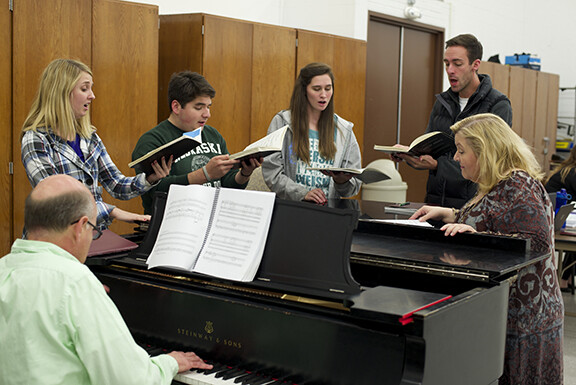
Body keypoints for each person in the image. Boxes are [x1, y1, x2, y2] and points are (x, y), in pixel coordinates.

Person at [0, 174, 212, 384]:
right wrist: (171, 362)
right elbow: (131, 381)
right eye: (93, 230)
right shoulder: (76, 282)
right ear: (80, 227)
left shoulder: (4, 268)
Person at [410, 113, 563, 385]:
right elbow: (494, 218)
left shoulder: (518, 184)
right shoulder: (495, 183)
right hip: (510, 313)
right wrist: (453, 215)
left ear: (487, 151)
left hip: (524, 319)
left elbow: (536, 242)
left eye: (461, 151)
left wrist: (479, 234)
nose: (455, 158)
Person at [21, 59, 171, 230]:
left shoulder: (90, 137)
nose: (92, 95)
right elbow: (59, 199)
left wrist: (149, 178)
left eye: (91, 88)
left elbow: (116, 185)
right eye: (84, 89)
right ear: (61, 92)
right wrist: (113, 211)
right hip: (55, 238)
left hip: (88, 237)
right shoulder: (35, 139)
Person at [393, 34, 512, 209]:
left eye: (457, 64)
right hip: (435, 203)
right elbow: (430, 147)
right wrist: (412, 154)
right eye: (446, 63)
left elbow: (491, 163)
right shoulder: (442, 102)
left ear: (475, 65)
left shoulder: (497, 105)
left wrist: (437, 166)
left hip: (474, 208)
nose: (450, 70)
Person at [132, 71, 261, 214]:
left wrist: (244, 174)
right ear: (176, 107)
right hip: (172, 221)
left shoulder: (212, 134)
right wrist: (205, 174)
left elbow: (227, 184)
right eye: (199, 107)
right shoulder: (152, 141)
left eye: (208, 106)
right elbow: (155, 191)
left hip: (212, 217)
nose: (207, 114)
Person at [261, 62, 362, 204]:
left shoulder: (344, 130)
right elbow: (272, 173)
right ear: (303, 91)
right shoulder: (282, 122)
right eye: (316, 89)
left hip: (328, 212)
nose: (323, 95)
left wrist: (341, 182)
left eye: (328, 88)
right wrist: (302, 194)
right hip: (292, 210)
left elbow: (352, 188)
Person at [545, 146, 576, 290]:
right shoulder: (571, 173)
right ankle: (564, 278)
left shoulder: (568, 169)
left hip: (561, 215)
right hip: (554, 217)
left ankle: (566, 277)